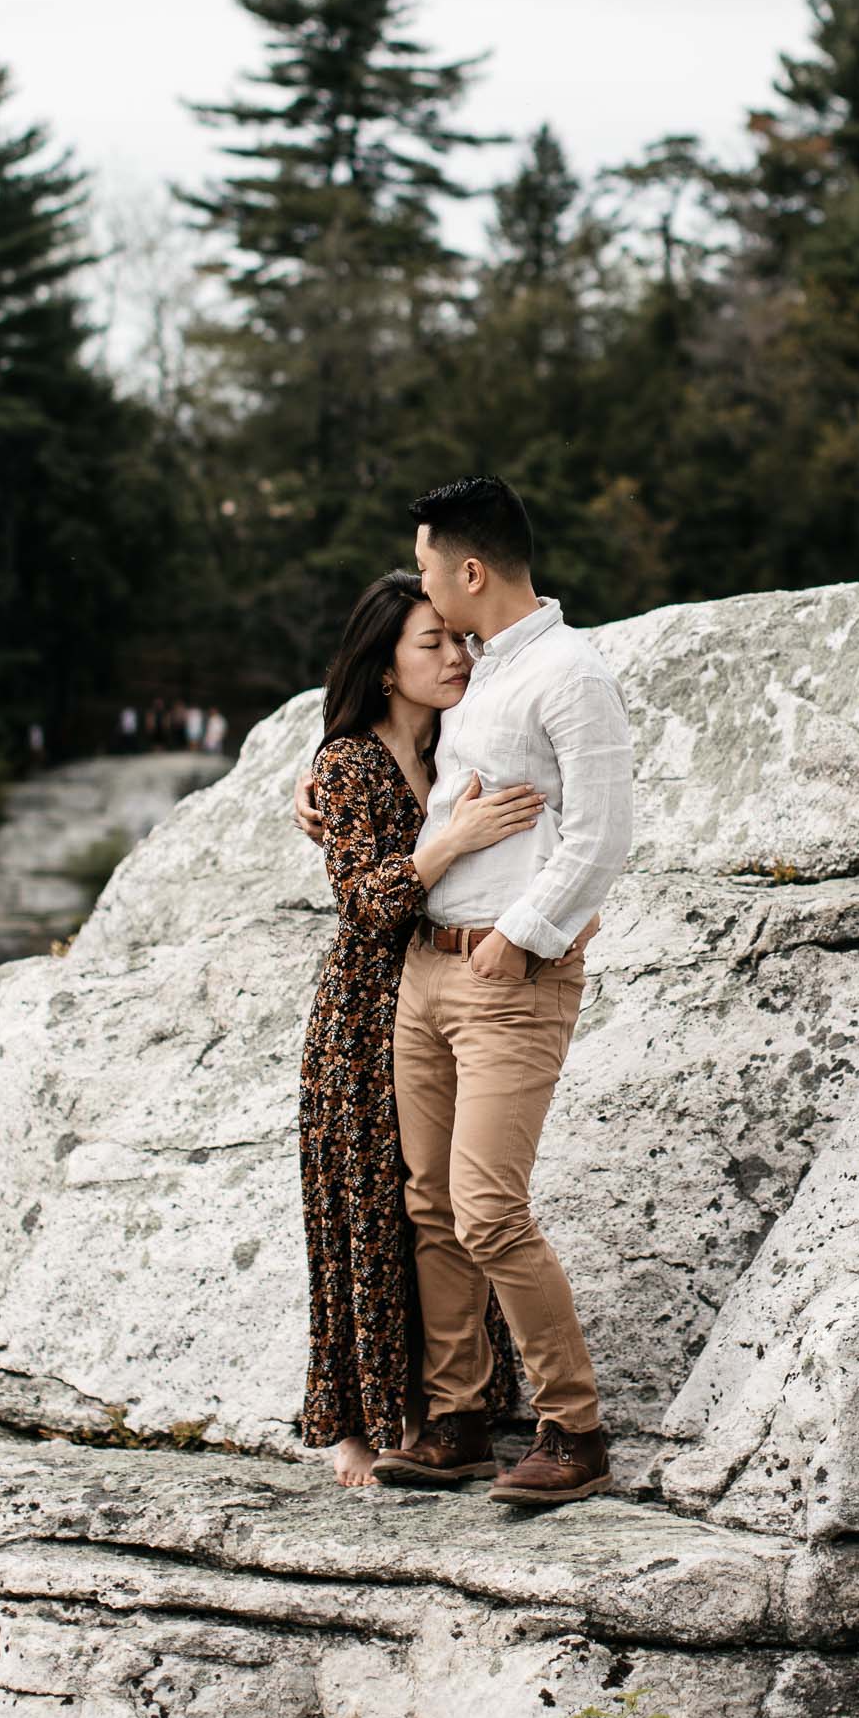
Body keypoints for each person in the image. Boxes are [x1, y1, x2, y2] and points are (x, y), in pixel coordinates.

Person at [298, 475, 634, 1511]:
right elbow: (384, 743)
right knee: (431, 1206)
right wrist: (315, 785)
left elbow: (602, 834)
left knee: (489, 1210)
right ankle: (454, 1418)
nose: (429, 590)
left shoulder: (568, 675)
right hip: (421, 974)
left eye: (432, 565)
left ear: (470, 571)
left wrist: (522, 939)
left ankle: (572, 1427)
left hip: (503, 972)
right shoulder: (482, 674)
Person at [300, 570, 542, 1486]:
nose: (455, 656)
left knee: (446, 1208)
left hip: (447, 1000)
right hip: (362, 1019)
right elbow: (365, 906)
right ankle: (357, 1425)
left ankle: (457, 1405)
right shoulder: (348, 764)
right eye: (430, 644)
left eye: (458, 640)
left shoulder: (458, 746)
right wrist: (445, 844)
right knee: (365, 1219)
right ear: (385, 666)